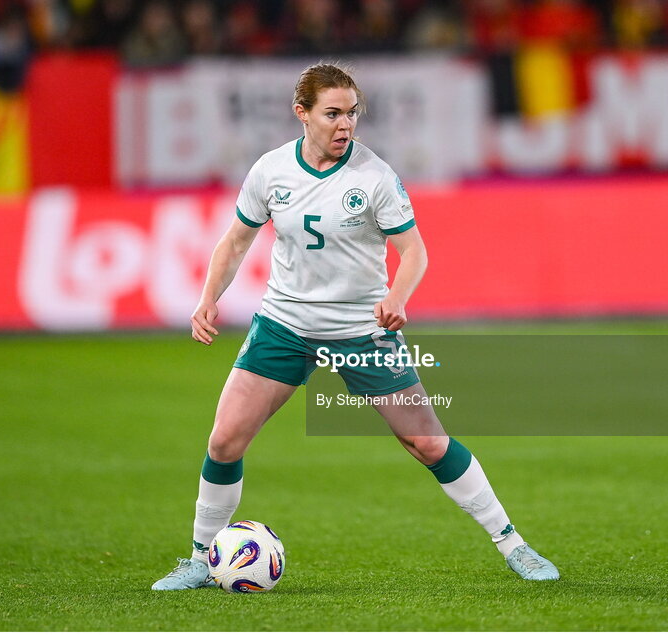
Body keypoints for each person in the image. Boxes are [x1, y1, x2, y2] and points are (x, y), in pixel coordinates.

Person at [151, 63, 559, 590]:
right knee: (225, 441)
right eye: (333, 114)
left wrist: (397, 297)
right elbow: (234, 242)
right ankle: (200, 560)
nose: (345, 124)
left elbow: (414, 252)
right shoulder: (271, 171)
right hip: (285, 325)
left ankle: (514, 545)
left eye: (352, 113)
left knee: (427, 443)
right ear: (302, 113)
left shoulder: (374, 177)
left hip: (361, 330)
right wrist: (208, 298)